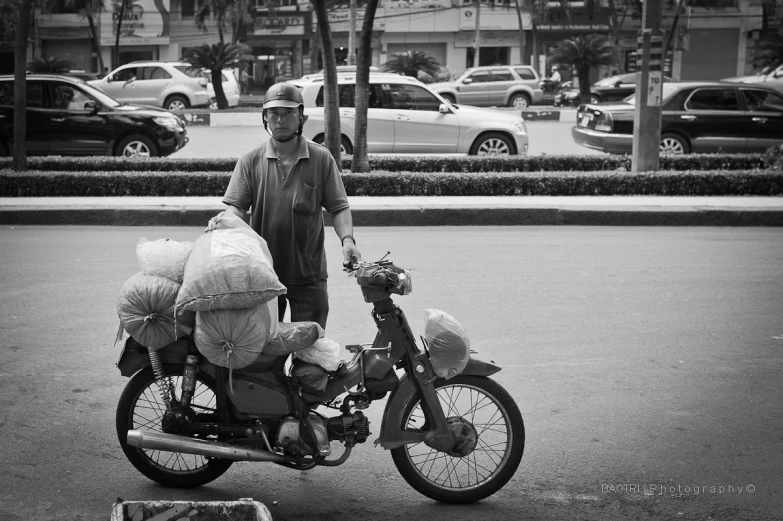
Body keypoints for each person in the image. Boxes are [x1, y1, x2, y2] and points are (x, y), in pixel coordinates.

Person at [206, 82, 361, 329]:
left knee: (310, 353)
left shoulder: (321, 158)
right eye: (274, 113)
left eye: (288, 113)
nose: (281, 119)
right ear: (265, 118)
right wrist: (223, 220)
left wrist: (348, 241)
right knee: (266, 355)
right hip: (263, 274)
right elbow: (236, 208)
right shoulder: (250, 161)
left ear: (301, 116)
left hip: (308, 275)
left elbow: (338, 207)